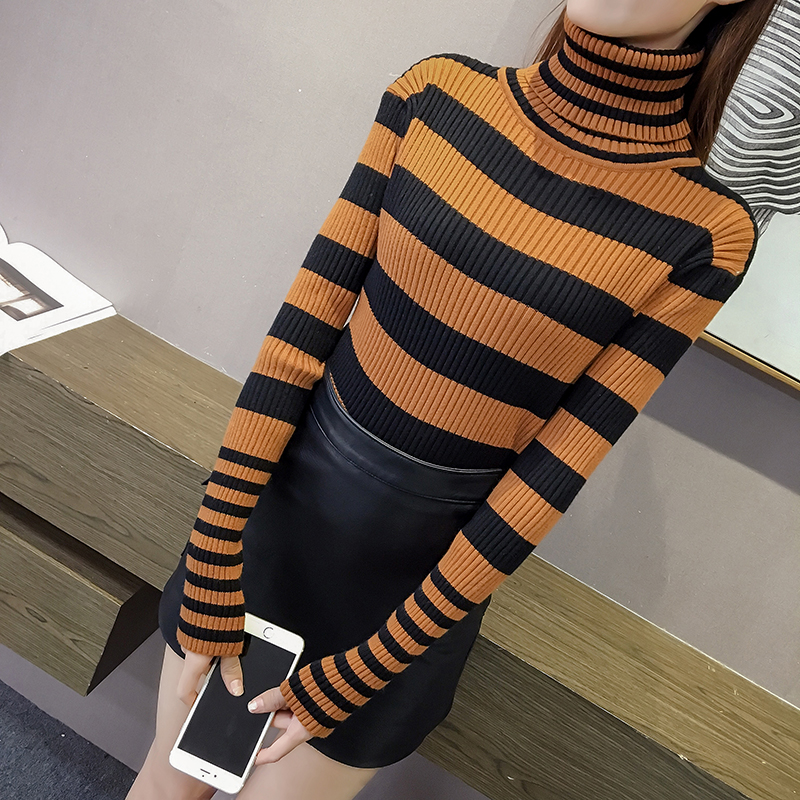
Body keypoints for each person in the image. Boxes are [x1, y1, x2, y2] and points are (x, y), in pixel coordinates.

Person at [127, 0, 776, 797]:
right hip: (273, 523)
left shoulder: (705, 232)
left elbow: (550, 475)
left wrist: (372, 665)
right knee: (166, 786)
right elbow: (297, 341)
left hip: (409, 595)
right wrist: (213, 549)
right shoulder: (433, 95)